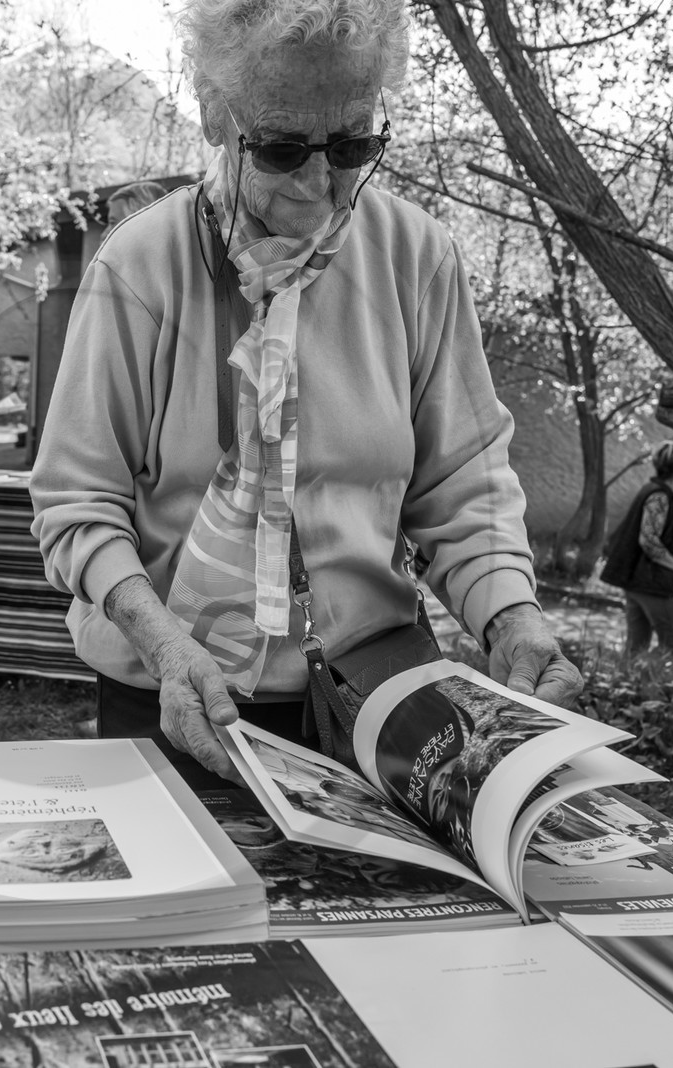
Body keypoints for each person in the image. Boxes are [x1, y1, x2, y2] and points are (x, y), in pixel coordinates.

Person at [29, 0, 583, 791]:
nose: (323, 181)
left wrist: (512, 616)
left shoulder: (417, 257)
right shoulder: (140, 266)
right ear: (218, 116)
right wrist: (162, 644)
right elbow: (77, 503)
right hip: (180, 692)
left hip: (380, 686)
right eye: (286, 148)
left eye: (354, 142)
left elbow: (465, 482)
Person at [600, 441, 673, 655]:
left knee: (636, 648)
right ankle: (664, 687)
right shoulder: (660, 496)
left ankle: (628, 686)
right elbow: (648, 540)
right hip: (653, 583)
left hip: (636, 582)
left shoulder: (652, 491)